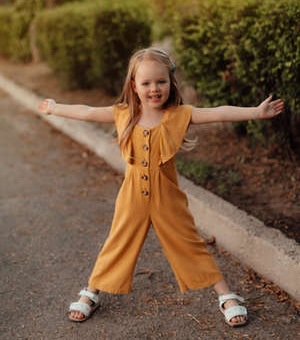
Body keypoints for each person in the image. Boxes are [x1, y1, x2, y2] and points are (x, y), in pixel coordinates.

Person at [38, 47, 284, 328]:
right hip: (131, 198)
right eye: (146, 83)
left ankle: (226, 295)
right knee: (117, 243)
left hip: (167, 197)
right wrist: (55, 107)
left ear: (170, 82)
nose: (154, 89)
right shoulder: (124, 113)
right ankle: (93, 290)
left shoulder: (180, 115)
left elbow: (217, 113)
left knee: (189, 244)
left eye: (161, 82)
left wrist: (256, 112)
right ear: (134, 85)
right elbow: (87, 111)